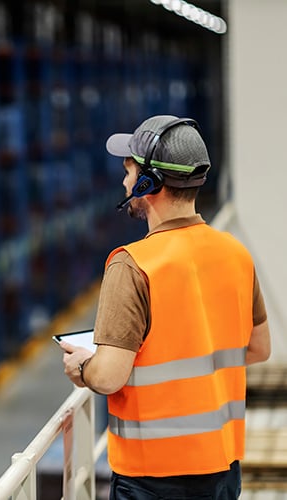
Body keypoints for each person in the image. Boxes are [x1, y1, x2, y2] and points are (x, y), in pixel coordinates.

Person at [60, 115, 271, 500]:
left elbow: (108, 378)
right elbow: (258, 348)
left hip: (152, 480)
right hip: (222, 472)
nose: (125, 183)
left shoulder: (132, 264)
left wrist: (82, 366)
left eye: (129, 172)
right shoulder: (235, 254)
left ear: (148, 183)